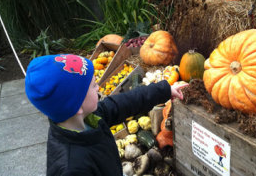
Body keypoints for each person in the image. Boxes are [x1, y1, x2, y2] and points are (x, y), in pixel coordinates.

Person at [25, 54, 187, 176]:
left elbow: (126, 102)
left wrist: (164, 90)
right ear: (76, 105)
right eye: (93, 86)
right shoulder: (72, 168)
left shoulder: (90, 117)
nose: (98, 89)